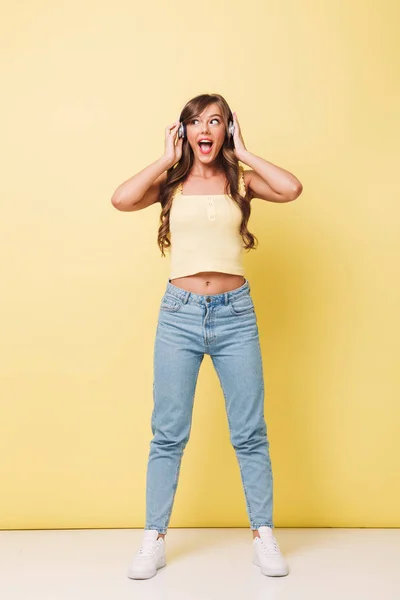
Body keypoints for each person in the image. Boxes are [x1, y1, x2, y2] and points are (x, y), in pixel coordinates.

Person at [111, 93, 303, 580]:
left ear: (226, 130)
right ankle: (153, 539)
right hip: (179, 314)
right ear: (184, 131)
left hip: (236, 314)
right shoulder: (170, 184)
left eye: (215, 121)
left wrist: (245, 152)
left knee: (250, 432)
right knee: (168, 433)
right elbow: (121, 199)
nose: (206, 128)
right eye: (196, 121)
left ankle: (263, 534)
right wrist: (163, 159)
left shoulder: (240, 181)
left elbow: (292, 188)